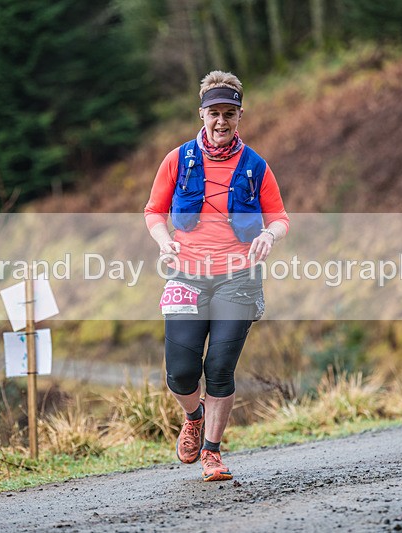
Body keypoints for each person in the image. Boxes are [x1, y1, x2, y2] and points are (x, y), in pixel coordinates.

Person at [144, 71, 289, 481]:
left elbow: (280, 217)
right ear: (202, 114)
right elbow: (154, 211)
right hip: (186, 274)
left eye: (229, 113)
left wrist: (268, 235)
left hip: (238, 276)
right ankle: (194, 416)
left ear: (240, 116)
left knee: (220, 367)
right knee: (180, 372)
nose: (221, 121)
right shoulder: (178, 160)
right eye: (214, 113)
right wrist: (163, 240)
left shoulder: (256, 166)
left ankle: (212, 451)